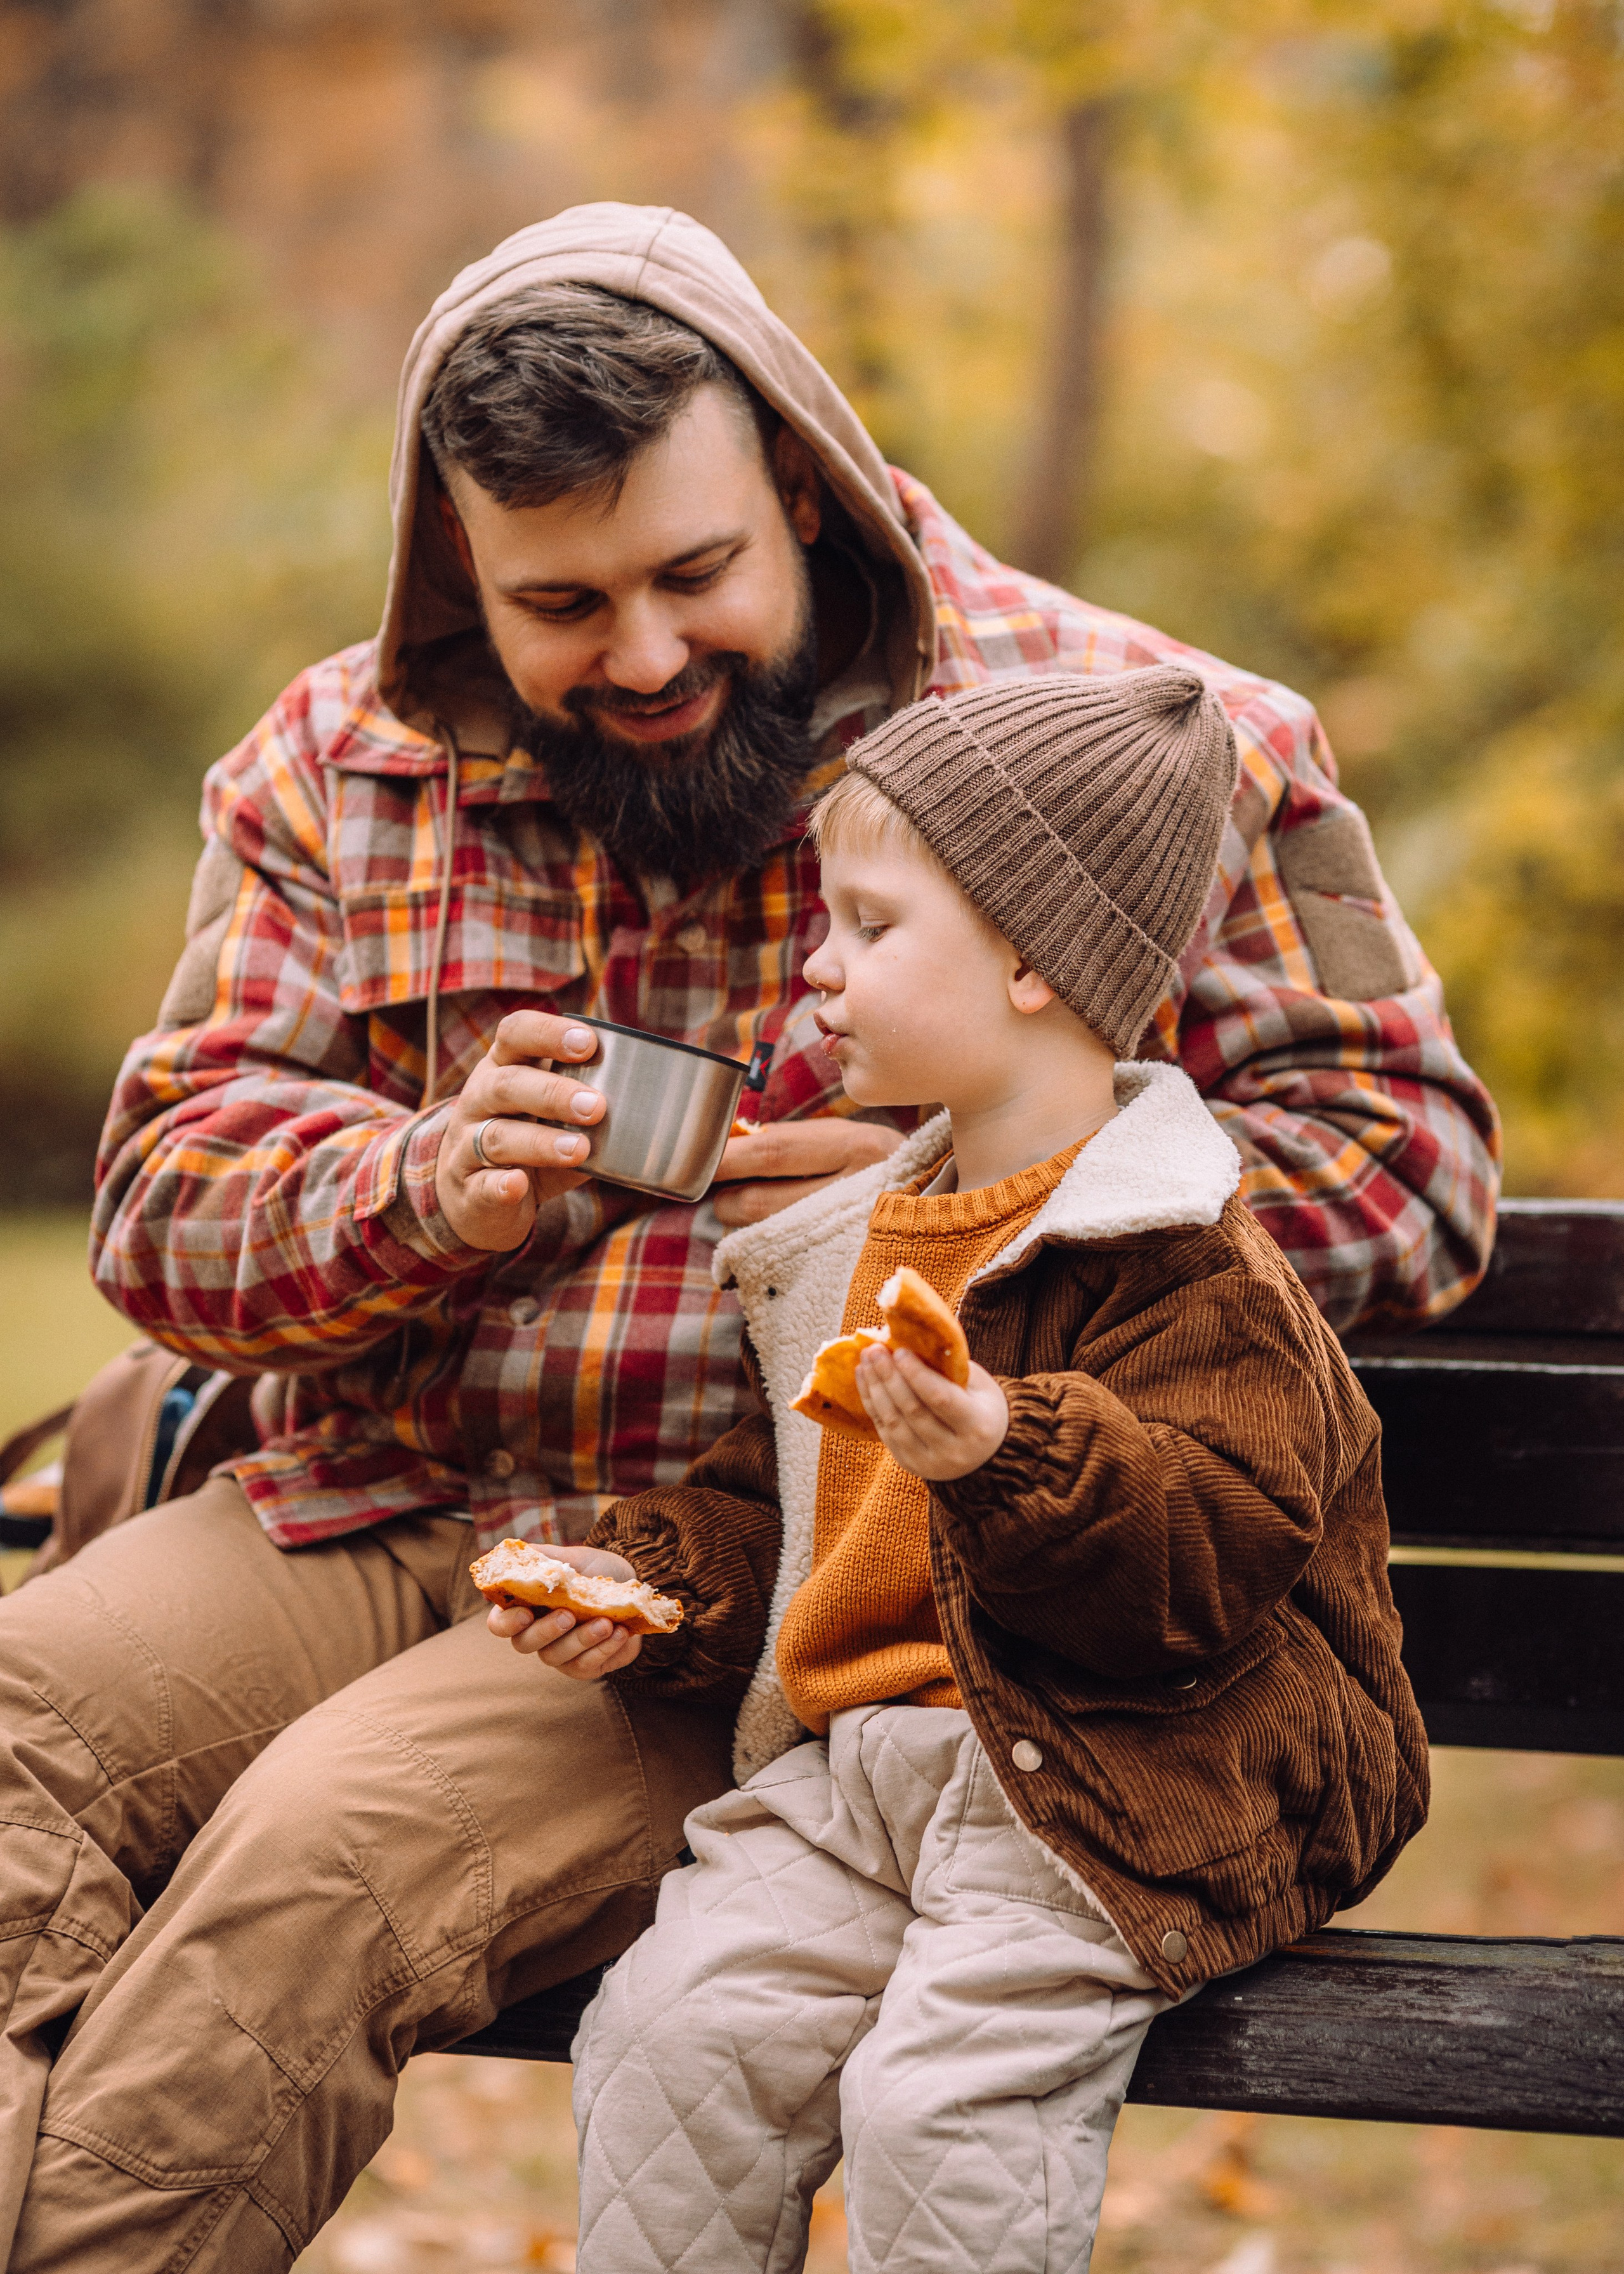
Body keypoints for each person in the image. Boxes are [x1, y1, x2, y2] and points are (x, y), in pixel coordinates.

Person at [0, 202, 1487, 2271]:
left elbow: (1405, 1169)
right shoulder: (336, 768)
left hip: (771, 1571)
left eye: (695, 575)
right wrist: (415, 1184)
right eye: (559, 603)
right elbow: (160, 1199)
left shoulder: (1145, 739)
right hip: (367, 1498)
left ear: (803, 475)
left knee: (307, 1884)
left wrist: (970, 1186)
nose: (636, 655)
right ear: (456, 561)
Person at [508, 667, 1427, 2274]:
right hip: (874, 1774)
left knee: (939, 2105)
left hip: (1125, 1780)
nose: (819, 968)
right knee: (673, 2029)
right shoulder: (860, 1236)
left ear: (1025, 957)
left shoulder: (1187, 1263)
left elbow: (1205, 1566)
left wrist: (1012, 1456)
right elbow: (777, 1501)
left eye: (868, 926)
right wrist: (649, 1582)